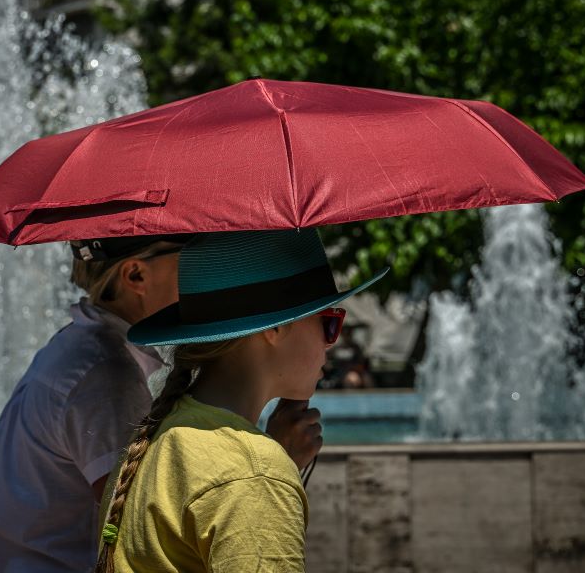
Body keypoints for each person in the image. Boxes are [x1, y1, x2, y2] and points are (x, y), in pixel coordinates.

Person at [0, 235, 327, 573]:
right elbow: (139, 521)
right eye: (190, 255)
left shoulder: (92, 360)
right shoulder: (106, 375)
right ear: (135, 276)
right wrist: (272, 465)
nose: (202, 269)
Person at [95, 229, 388, 572]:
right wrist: (268, 472)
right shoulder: (250, 474)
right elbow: (238, 487)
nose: (331, 344)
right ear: (275, 327)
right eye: (328, 322)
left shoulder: (160, 435)